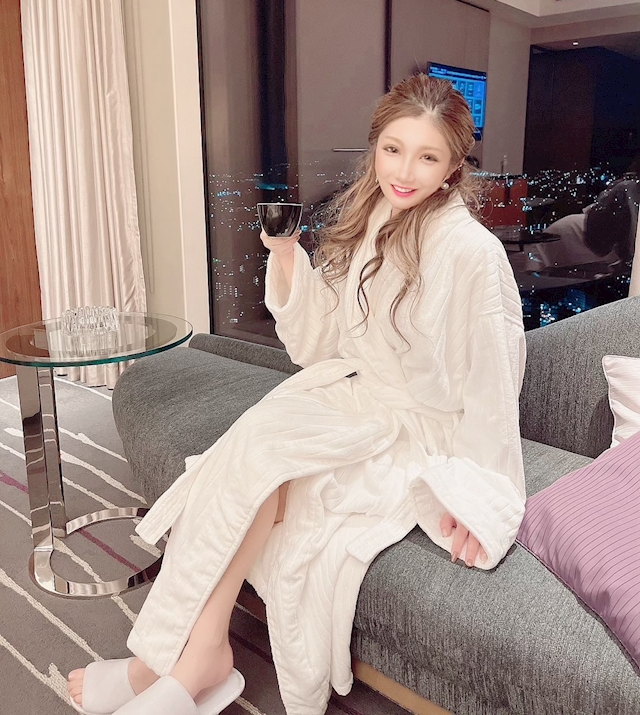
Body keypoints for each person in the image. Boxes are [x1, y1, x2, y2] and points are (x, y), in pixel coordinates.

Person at [68, 74, 527, 715]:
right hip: (354, 398)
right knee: (251, 446)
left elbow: (493, 382)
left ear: (453, 166)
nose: (404, 172)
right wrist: (287, 258)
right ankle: (191, 656)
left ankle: (170, 664)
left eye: (427, 157)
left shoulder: (472, 251)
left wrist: (477, 495)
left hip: (417, 428)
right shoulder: (374, 218)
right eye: (393, 149)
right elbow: (322, 341)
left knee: (263, 459)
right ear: (375, 147)